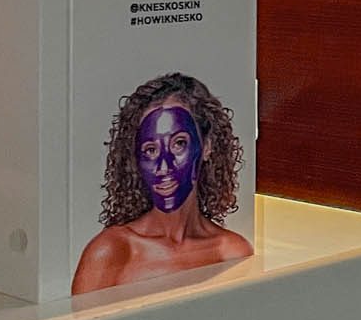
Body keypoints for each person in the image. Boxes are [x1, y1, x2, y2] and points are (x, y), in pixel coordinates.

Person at [71, 70, 253, 294]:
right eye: (150, 150)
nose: (163, 166)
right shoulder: (112, 252)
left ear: (206, 146)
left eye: (178, 144)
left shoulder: (232, 253)